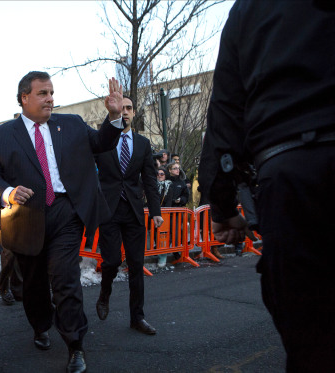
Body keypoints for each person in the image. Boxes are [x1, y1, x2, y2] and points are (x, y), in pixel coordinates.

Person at [198, 1, 335, 371]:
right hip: (289, 170)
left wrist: (223, 207)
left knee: (312, 339)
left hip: (291, 176)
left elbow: (225, 113)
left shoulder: (250, 10)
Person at [0, 71, 124, 373]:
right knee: (33, 283)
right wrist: (8, 192)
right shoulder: (1, 136)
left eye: (52, 93)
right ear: (25, 97)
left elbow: (101, 143)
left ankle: (75, 345)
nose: (50, 99)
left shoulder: (70, 124)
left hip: (65, 213)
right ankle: (40, 325)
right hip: (26, 217)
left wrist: (114, 115)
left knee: (65, 278)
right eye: (43, 93)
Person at [94, 96, 164, 335]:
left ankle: (138, 317)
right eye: (121, 108)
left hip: (134, 211)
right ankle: (105, 293)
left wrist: (155, 211)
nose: (124, 112)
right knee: (111, 261)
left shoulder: (143, 144)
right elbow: (87, 172)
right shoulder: (102, 141)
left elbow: (150, 180)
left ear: (134, 113)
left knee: (136, 266)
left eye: (129, 108)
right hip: (109, 210)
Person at [156, 167, 173, 267]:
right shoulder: (152, 185)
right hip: (152, 213)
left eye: (162, 174)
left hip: (164, 214)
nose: (159, 175)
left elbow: (169, 201)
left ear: (165, 175)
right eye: (158, 174)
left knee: (163, 236)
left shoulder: (169, 186)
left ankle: (162, 257)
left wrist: (164, 212)